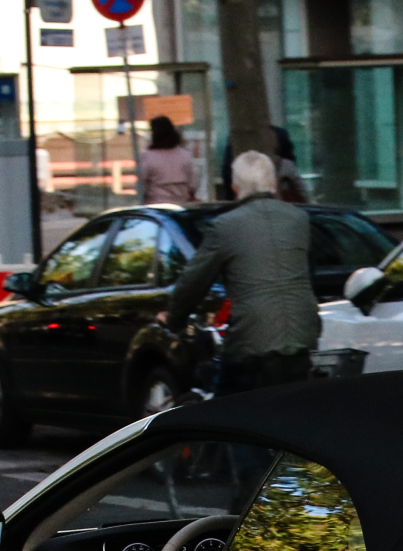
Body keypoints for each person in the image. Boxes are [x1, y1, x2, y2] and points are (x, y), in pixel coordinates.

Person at [164, 148, 321, 394]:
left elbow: (193, 282)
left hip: (252, 342)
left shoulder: (225, 226)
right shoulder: (299, 219)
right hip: (303, 335)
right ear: (274, 184)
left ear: (235, 189)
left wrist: (174, 319)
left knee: (227, 413)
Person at [136, 115, 197, 204]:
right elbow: (191, 183)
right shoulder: (185, 155)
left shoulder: (148, 156)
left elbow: (143, 184)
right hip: (182, 203)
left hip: (156, 203)